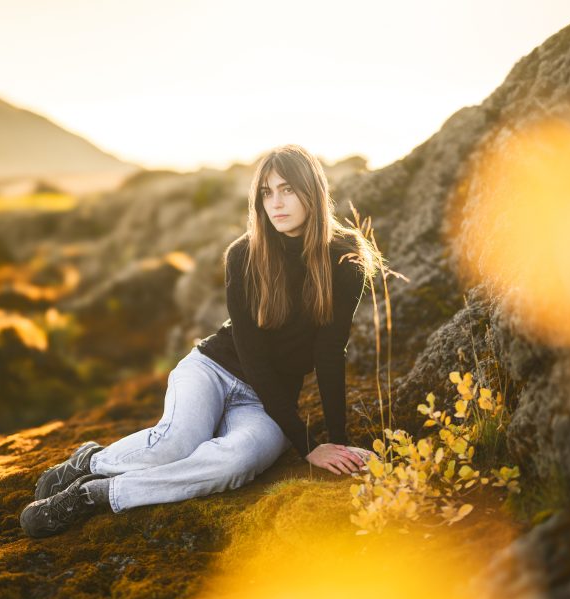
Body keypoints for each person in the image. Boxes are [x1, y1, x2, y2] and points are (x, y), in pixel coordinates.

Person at [20, 144, 380, 538]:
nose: (275, 203)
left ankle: (97, 494)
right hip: (212, 369)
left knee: (238, 462)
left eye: (288, 189)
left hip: (265, 400)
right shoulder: (245, 254)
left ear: (313, 191)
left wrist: (338, 446)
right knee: (176, 443)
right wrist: (307, 443)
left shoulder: (346, 259)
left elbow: (329, 352)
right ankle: (90, 462)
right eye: (267, 192)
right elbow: (252, 354)